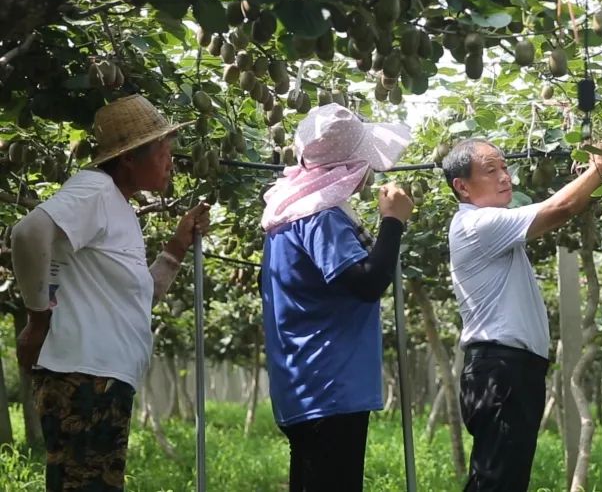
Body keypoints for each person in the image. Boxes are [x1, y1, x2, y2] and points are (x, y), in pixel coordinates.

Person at [10, 94, 210, 491]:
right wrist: (37, 320)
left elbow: (138, 299)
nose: (171, 159)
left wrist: (177, 247)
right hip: (84, 382)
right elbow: (28, 233)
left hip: (102, 381)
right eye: (162, 150)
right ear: (128, 159)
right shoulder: (95, 190)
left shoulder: (120, 207)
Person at [443, 139, 602, 491]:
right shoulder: (479, 225)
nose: (505, 177)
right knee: (498, 482)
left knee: (500, 479)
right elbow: (562, 207)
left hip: (510, 369)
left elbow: (566, 204)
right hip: (501, 369)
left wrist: (593, 174)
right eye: (491, 170)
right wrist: (600, 167)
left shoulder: (491, 227)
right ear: (461, 186)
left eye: (504, 167)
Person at [259, 104, 414, 492]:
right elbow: (366, 283)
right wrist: (393, 221)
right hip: (329, 384)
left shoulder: (289, 212)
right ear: (351, 166)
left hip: (309, 381)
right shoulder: (320, 217)